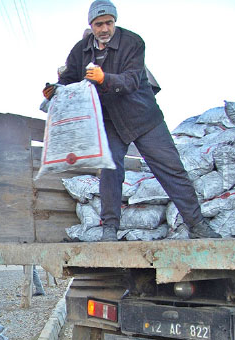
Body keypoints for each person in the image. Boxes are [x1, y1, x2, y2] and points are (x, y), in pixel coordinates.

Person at [42, 0, 220, 241]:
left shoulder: (132, 43)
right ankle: (109, 230)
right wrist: (55, 89)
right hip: (111, 122)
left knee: (172, 169)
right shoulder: (80, 50)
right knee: (109, 172)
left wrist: (105, 78)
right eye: (98, 24)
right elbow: (69, 78)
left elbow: (131, 81)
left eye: (108, 23)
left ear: (114, 22)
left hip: (143, 118)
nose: (104, 29)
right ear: (91, 26)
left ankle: (197, 224)